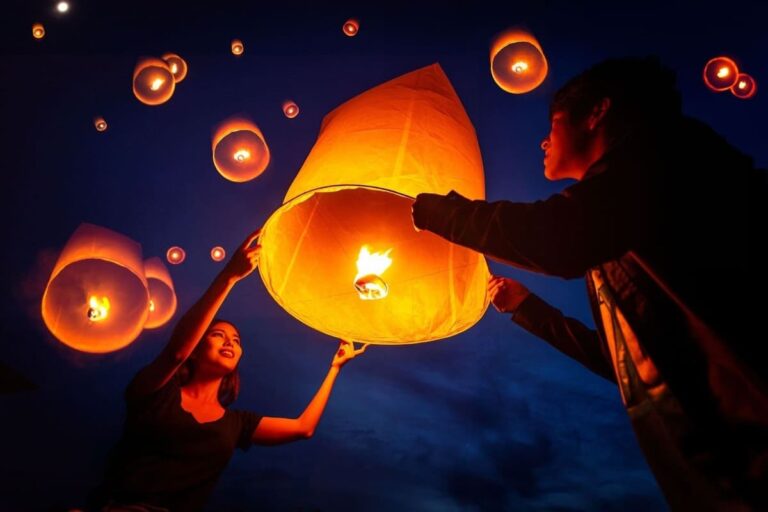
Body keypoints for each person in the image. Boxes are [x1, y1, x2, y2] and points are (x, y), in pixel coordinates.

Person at [411, 57, 767, 510]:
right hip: (727, 465)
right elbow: (622, 361)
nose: (544, 140)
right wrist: (528, 308)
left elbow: (559, 236)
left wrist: (437, 212)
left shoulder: (665, 155)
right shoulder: (623, 227)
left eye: (554, 123)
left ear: (597, 112)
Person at [90, 229, 367, 512]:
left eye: (236, 340)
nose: (229, 343)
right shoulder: (155, 393)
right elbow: (176, 352)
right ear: (196, 348)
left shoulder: (236, 424)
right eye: (218, 335)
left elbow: (303, 428)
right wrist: (229, 276)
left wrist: (335, 368)